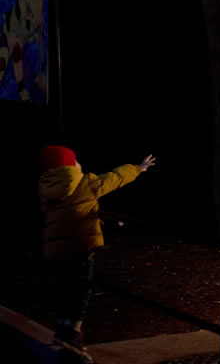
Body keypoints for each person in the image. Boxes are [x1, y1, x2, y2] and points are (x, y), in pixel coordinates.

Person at [38, 145, 156, 350]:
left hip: (57, 251)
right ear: (69, 165)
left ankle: (62, 331)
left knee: (64, 289)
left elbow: (68, 212)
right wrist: (138, 168)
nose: (78, 163)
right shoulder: (85, 182)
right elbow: (113, 178)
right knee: (82, 289)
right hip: (81, 247)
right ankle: (73, 334)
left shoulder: (46, 188)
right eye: (75, 161)